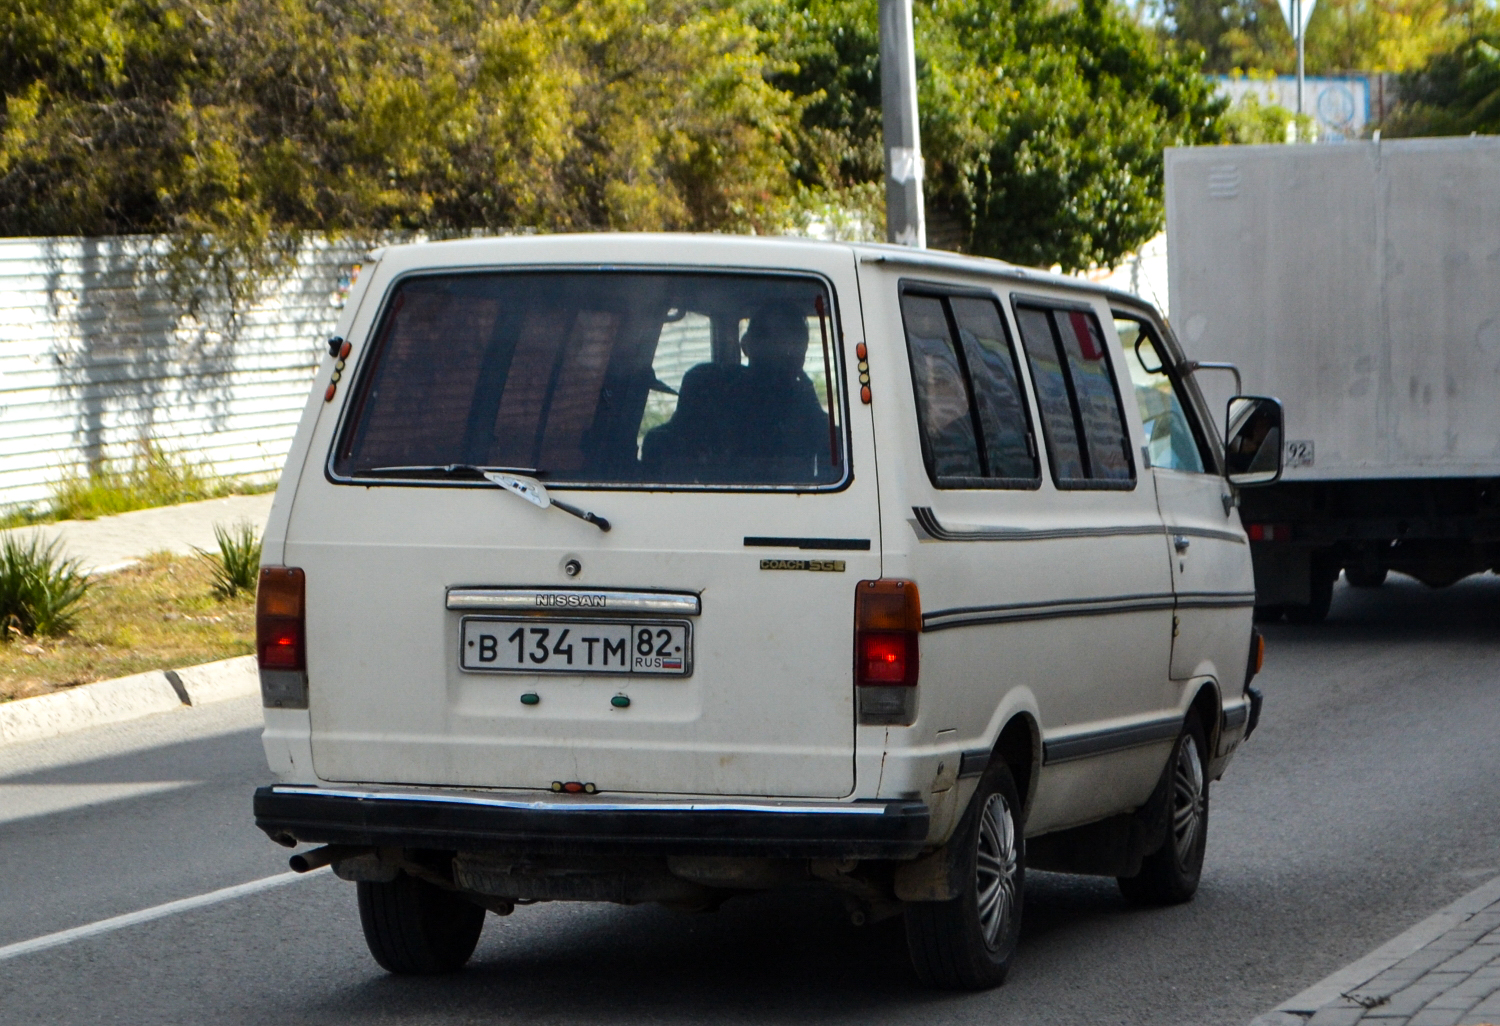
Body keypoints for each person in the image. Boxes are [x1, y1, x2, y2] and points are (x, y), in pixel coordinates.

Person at [643, 304, 833, 482]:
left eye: (794, 351)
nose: (784, 360)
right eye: (775, 346)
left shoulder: (802, 403)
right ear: (747, 345)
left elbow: (834, 454)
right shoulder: (712, 390)